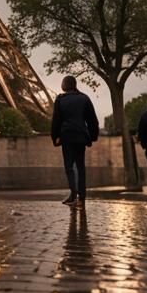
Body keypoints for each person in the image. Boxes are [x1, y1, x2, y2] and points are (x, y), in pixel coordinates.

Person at [50, 75, 99, 207]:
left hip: (67, 136)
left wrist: (54, 137)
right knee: (80, 167)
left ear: (64, 85)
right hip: (81, 136)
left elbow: (56, 121)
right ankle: (81, 198)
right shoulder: (84, 98)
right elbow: (92, 120)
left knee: (69, 167)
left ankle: (73, 194)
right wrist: (93, 136)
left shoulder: (60, 100)